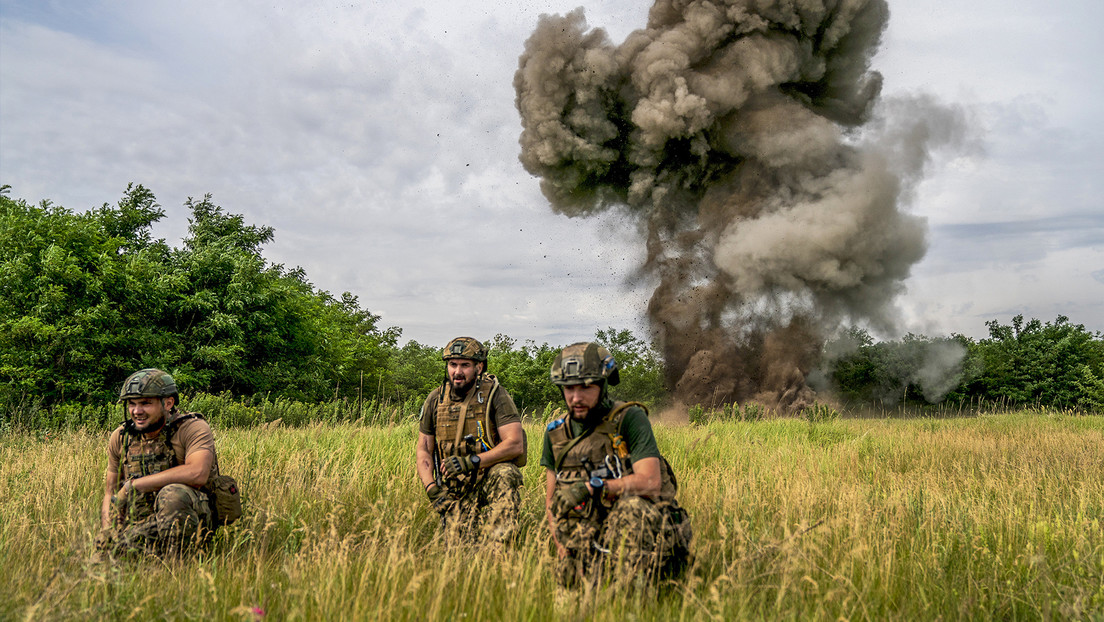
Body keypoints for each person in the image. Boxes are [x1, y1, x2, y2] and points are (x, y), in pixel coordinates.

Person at [542, 342, 691, 586]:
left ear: (602, 386)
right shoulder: (556, 434)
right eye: (569, 388)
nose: (576, 397)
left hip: (642, 533)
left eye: (586, 387)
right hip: (586, 531)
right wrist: (562, 546)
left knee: (631, 510)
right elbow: (552, 502)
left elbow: (651, 482)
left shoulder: (629, 419)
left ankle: (634, 597)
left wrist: (594, 487)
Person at [96, 368, 223, 557]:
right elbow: (111, 493)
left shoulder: (192, 428)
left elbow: (198, 473)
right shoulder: (121, 437)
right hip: (142, 523)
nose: (137, 411)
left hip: (193, 520)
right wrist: (108, 530)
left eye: (146, 403)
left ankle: (179, 565)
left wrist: (134, 485)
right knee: (108, 556)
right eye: (132, 404)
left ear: (168, 403)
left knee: (173, 495)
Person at [415, 337, 527, 544]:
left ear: (479, 366)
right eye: (452, 364)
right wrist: (432, 488)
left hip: (487, 476)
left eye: (465, 365)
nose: (457, 371)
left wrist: (472, 461)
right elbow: (424, 449)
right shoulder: (435, 399)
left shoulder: (495, 394)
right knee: (459, 550)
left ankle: (500, 548)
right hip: (455, 485)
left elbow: (515, 444)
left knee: (505, 473)